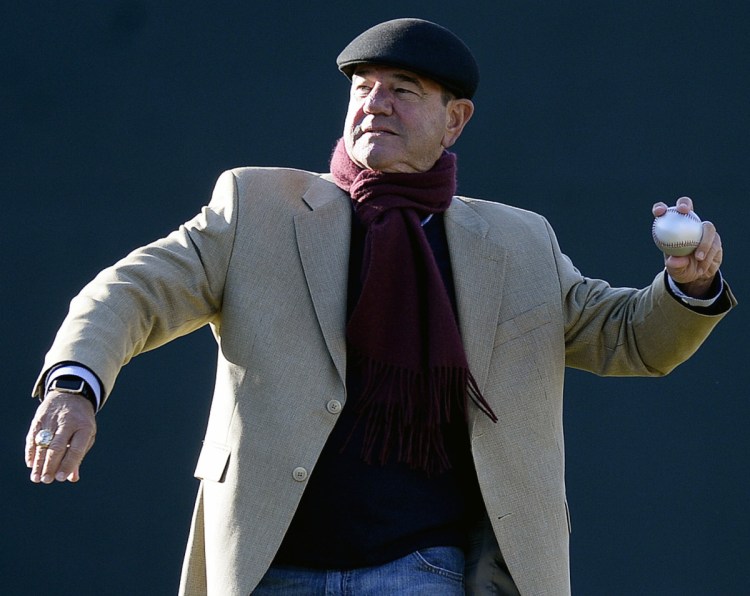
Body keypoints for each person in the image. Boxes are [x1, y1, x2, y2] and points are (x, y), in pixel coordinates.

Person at [25, 18, 735, 596]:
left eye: (403, 89)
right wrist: (75, 383)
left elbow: (626, 336)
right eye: (364, 88)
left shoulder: (519, 243)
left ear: (454, 120)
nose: (375, 102)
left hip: (423, 570)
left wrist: (688, 285)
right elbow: (133, 289)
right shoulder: (256, 209)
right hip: (267, 566)